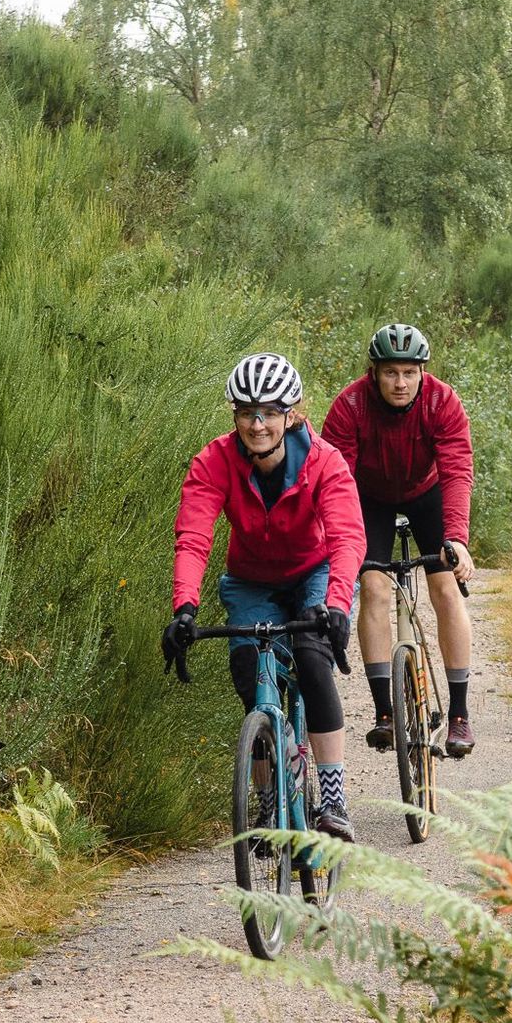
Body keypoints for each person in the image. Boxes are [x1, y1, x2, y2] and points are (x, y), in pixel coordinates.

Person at [160, 353, 366, 841]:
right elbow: (193, 537)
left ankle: (334, 801)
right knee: (250, 671)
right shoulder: (213, 462)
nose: (257, 424)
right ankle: (268, 797)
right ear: (234, 414)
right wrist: (184, 608)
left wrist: (336, 605)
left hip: (314, 573)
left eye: (270, 412)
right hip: (251, 580)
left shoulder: (324, 461)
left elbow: (347, 538)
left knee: (314, 662)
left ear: (291, 414)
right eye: (247, 412)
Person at [321, 323, 479, 757]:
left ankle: (460, 715)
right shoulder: (350, 405)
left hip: (427, 493)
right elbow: (337, 481)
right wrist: (343, 544)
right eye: (390, 372)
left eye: (409, 373)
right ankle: (384, 714)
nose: (400, 382)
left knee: (445, 586)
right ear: (373, 372)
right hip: (368, 498)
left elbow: (457, 472)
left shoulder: (443, 402)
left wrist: (456, 539)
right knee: (371, 584)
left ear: (423, 372)